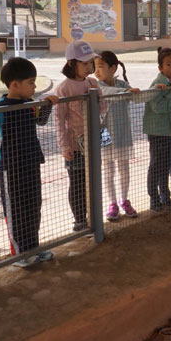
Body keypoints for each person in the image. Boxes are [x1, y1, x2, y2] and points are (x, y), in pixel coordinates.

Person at [0, 58, 58, 267]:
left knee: (33, 206)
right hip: (11, 166)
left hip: (31, 162)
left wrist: (48, 105)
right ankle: (20, 254)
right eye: (31, 82)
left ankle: (33, 248)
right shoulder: (1, 108)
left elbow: (41, 121)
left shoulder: (30, 104)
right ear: (14, 84)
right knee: (16, 209)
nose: (34, 86)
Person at [56, 40, 102, 233]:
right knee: (77, 182)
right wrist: (64, 146)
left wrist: (97, 98)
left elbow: (103, 108)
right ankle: (80, 220)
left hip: (93, 140)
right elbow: (59, 119)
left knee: (93, 180)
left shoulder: (93, 82)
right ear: (71, 64)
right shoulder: (64, 88)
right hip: (75, 145)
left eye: (90, 62)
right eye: (84, 63)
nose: (89, 66)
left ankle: (95, 216)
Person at [94, 51, 140, 221]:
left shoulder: (122, 83)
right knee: (108, 169)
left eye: (100, 67)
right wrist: (126, 91)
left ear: (112, 68)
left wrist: (152, 91)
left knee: (123, 168)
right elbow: (105, 91)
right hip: (104, 134)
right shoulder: (96, 85)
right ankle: (112, 203)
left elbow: (135, 97)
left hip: (122, 133)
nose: (96, 71)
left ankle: (124, 199)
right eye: (95, 67)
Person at [143, 47, 171, 210]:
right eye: (169, 64)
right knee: (157, 165)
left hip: (169, 131)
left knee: (165, 164)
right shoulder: (159, 84)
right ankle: (154, 199)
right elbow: (159, 108)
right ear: (160, 68)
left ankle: (165, 196)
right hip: (158, 131)